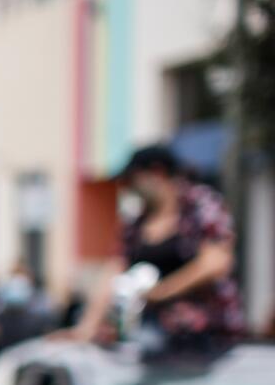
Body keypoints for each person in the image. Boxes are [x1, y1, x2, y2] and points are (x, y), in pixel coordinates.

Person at [68, 143, 244, 350]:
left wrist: (161, 291)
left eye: (133, 180)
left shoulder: (200, 205)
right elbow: (113, 271)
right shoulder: (136, 224)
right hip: (155, 336)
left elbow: (216, 262)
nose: (129, 188)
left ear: (157, 173)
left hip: (208, 337)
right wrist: (86, 327)